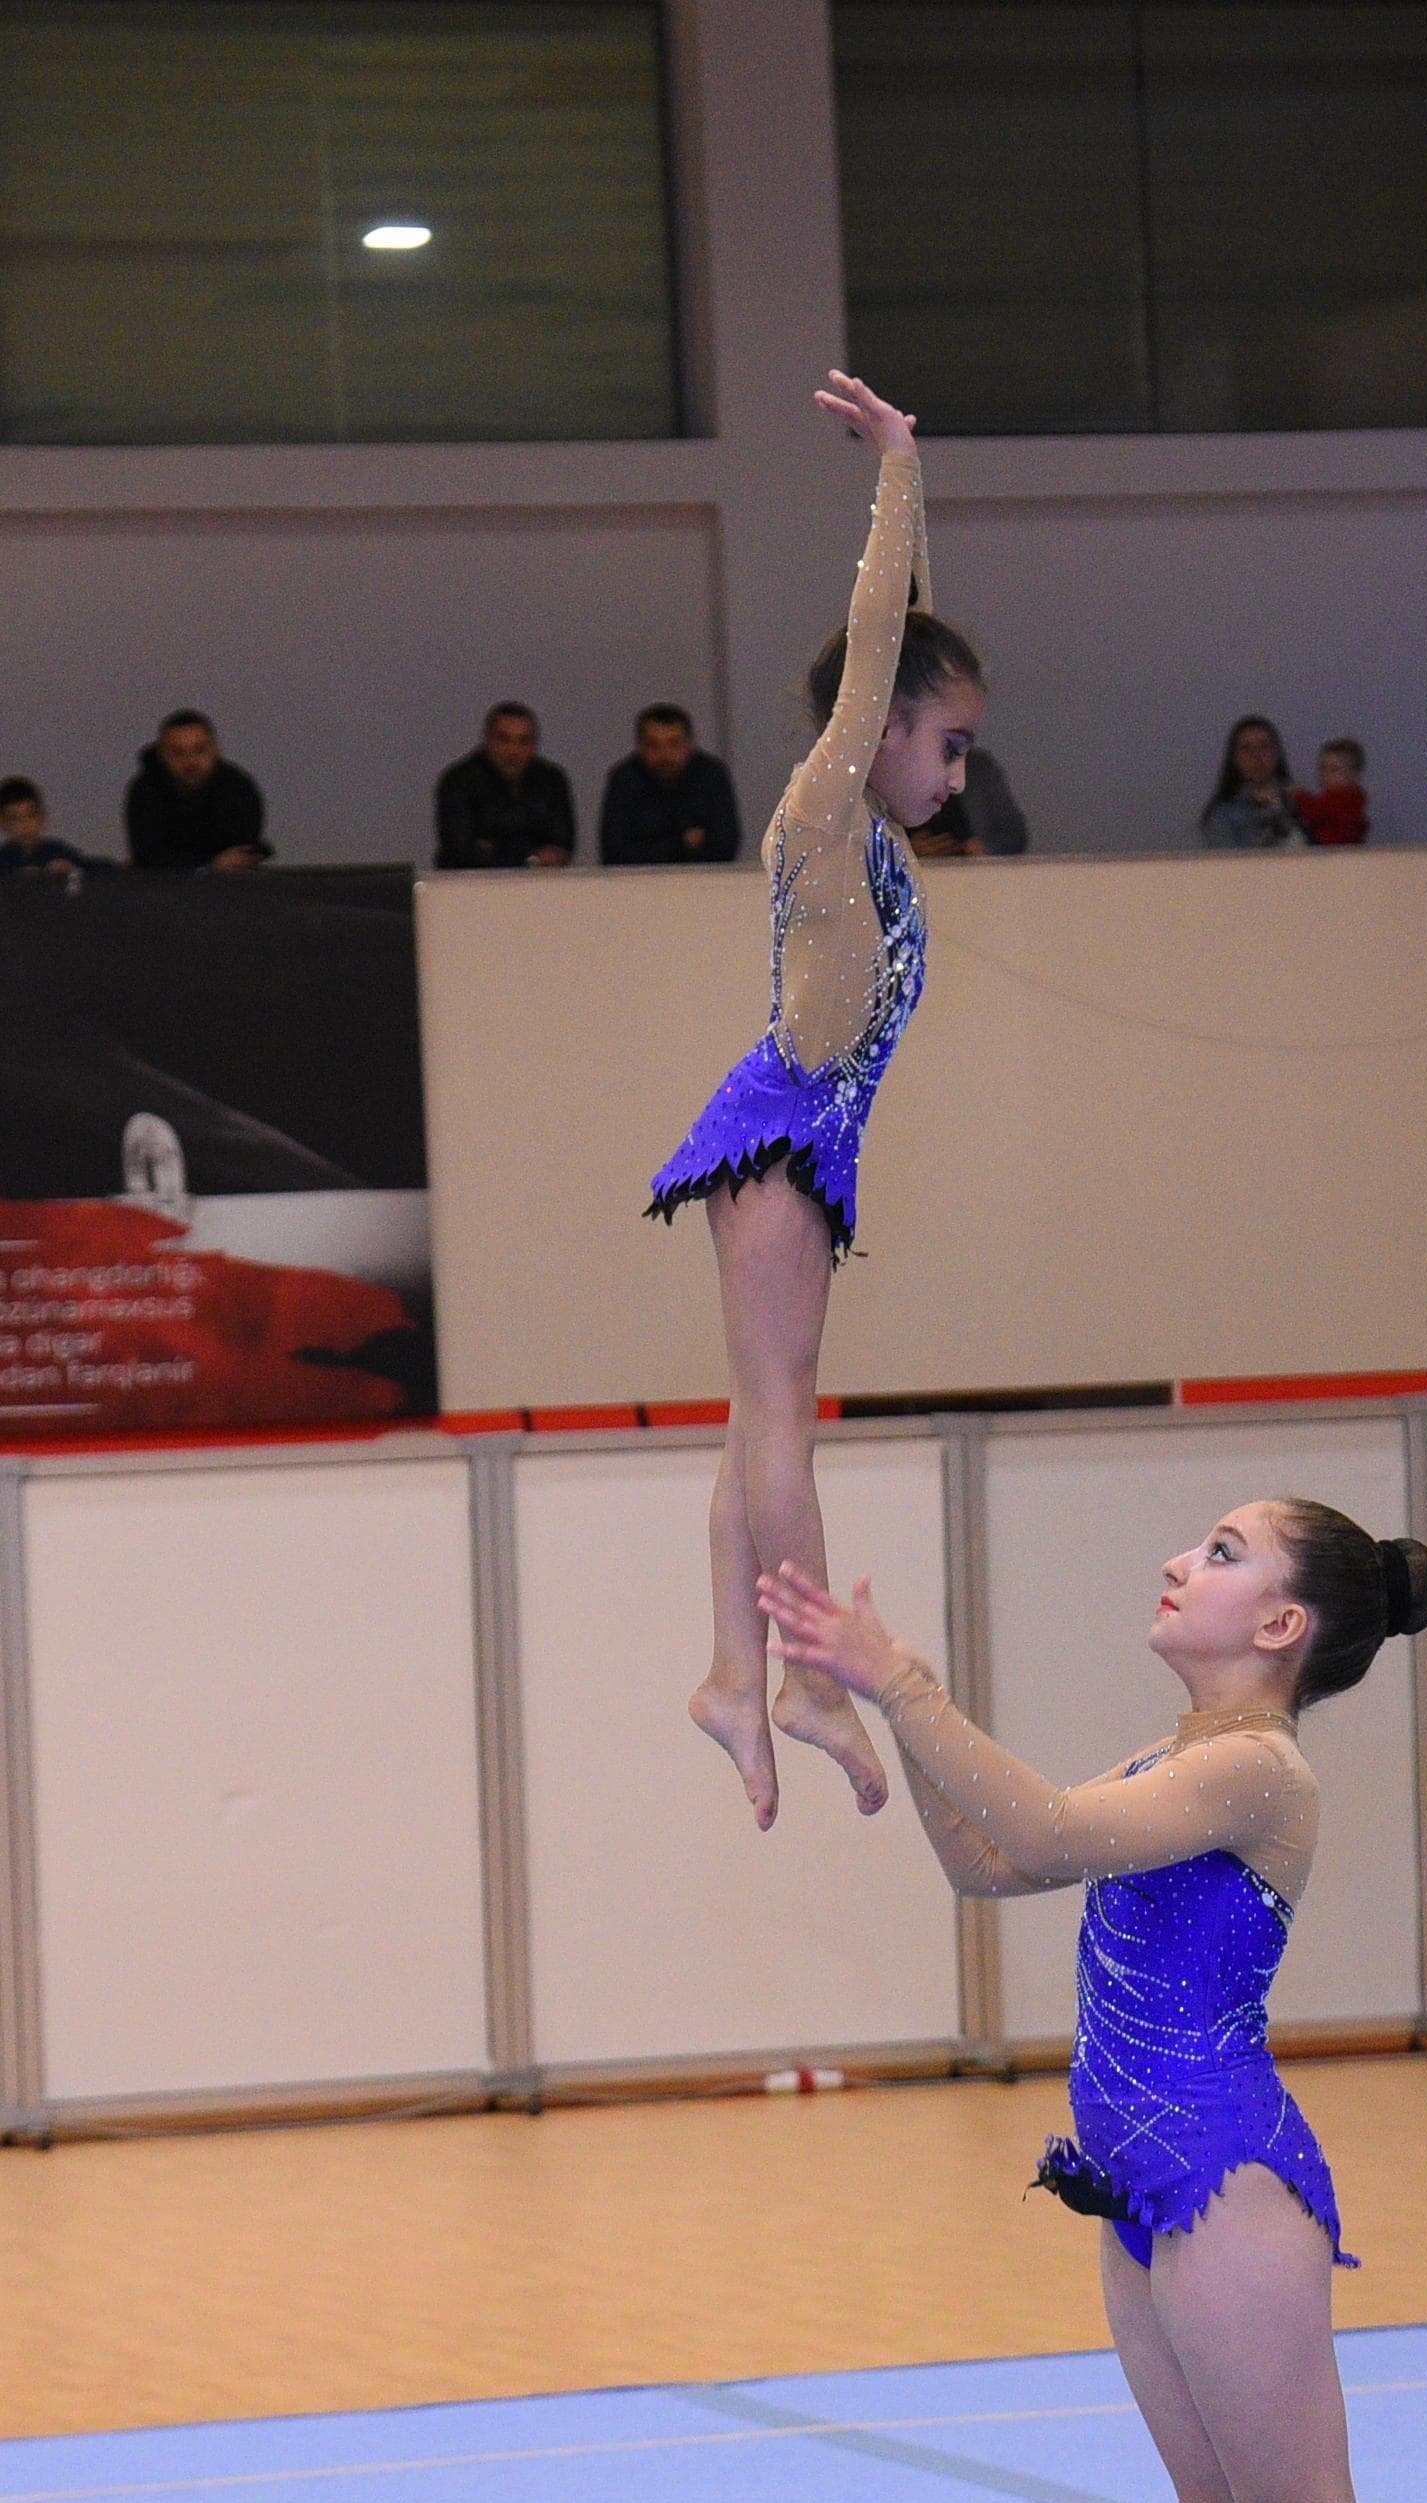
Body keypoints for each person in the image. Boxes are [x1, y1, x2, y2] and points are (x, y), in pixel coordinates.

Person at [759, 1494, 1427, 2503]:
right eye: (1188, 1537)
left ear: (1282, 1626)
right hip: (1131, 2182)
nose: (1174, 1558)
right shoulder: (1177, 1757)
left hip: (1223, 2176)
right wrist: (881, 1719)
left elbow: (1051, 1836)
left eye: (1216, 1552)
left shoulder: (1256, 1771)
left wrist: (904, 1681)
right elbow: (998, 1865)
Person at [645, 370, 983, 1831]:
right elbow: (877, 643)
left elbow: (903, 645)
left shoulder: (881, 835)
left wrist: (917, 522)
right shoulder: (829, 807)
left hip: (799, 1142)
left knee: (756, 1417)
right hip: (782, 1127)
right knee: (783, 1417)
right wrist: (900, 465)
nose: (960, 775)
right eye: (949, 744)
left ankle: (736, 1670)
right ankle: (807, 1679)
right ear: (882, 730)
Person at [434, 704, 575, 869]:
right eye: (504, 739)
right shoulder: (458, 781)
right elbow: (460, 850)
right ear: (487, 740)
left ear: (535, 744)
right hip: (471, 886)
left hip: (542, 886)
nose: (513, 750)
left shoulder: (552, 780)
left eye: (523, 741)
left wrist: (494, 849)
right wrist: (530, 859)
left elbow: (562, 846)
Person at [597, 704, 741, 866]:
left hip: (704, 881)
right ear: (640, 746)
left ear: (690, 744)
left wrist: (654, 847)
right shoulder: (625, 779)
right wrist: (683, 843)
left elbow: (725, 845)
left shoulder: (711, 774)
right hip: (637, 884)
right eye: (653, 745)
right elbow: (614, 853)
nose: (665, 755)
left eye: (674, 744)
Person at [125, 712, 270, 871]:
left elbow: (240, 854)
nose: (190, 762)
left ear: (215, 749)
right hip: (162, 890)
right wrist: (211, 863)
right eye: (178, 752)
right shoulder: (145, 791)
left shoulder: (238, 789)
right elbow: (147, 854)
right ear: (163, 755)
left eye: (199, 750)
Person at [1201, 719, 1311, 852]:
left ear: (1277, 753)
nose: (1256, 756)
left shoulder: (1302, 801)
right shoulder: (1223, 814)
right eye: (1246, 749)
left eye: (1264, 747)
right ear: (1235, 758)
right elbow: (1227, 866)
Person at [908, 744, 1028, 859]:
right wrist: (909, 851)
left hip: (974, 873)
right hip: (919, 873)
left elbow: (1016, 834)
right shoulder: (899, 767)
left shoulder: (978, 766)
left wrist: (985, 847)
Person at [0, 778, 89, 875]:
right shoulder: (3, 860)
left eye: (31, 815)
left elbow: (95, 870)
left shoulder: (60, 852)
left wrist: (70, 869)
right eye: (14, 818)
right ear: (3, 824)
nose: (25, 824)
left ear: (42, 817)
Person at [1294, 740, 1370, 848]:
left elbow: (1314, 812)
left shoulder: (1341, 797)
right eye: (1322, 768)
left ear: (1353, 775)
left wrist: (1299, 795)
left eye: (1333, 769)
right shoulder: (1355, 797)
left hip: (1332, 848)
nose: (1325, 774)